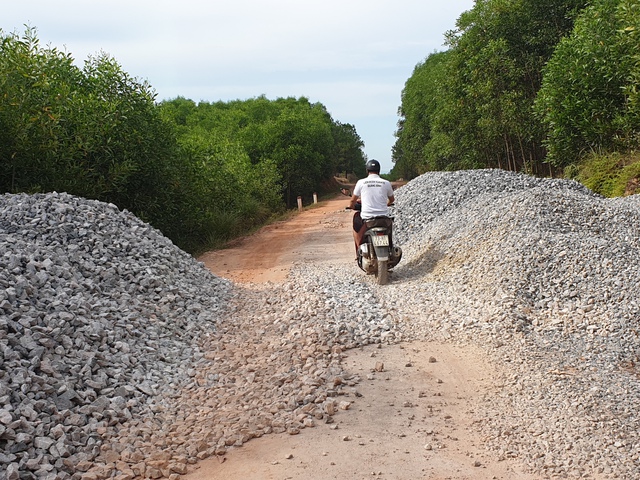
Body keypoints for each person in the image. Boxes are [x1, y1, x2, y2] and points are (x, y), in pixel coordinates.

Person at [349, 159, 395, 255]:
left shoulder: (361, 182)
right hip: (384, 218)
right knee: (390, 230)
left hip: (367, 220)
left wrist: (351, 206)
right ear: (379, 170)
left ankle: (359, 251)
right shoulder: (386, 183)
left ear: (367, 170)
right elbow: (392, 199)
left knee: (356, 228)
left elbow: (353, 200)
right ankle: (390, 249)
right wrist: (387, 203)